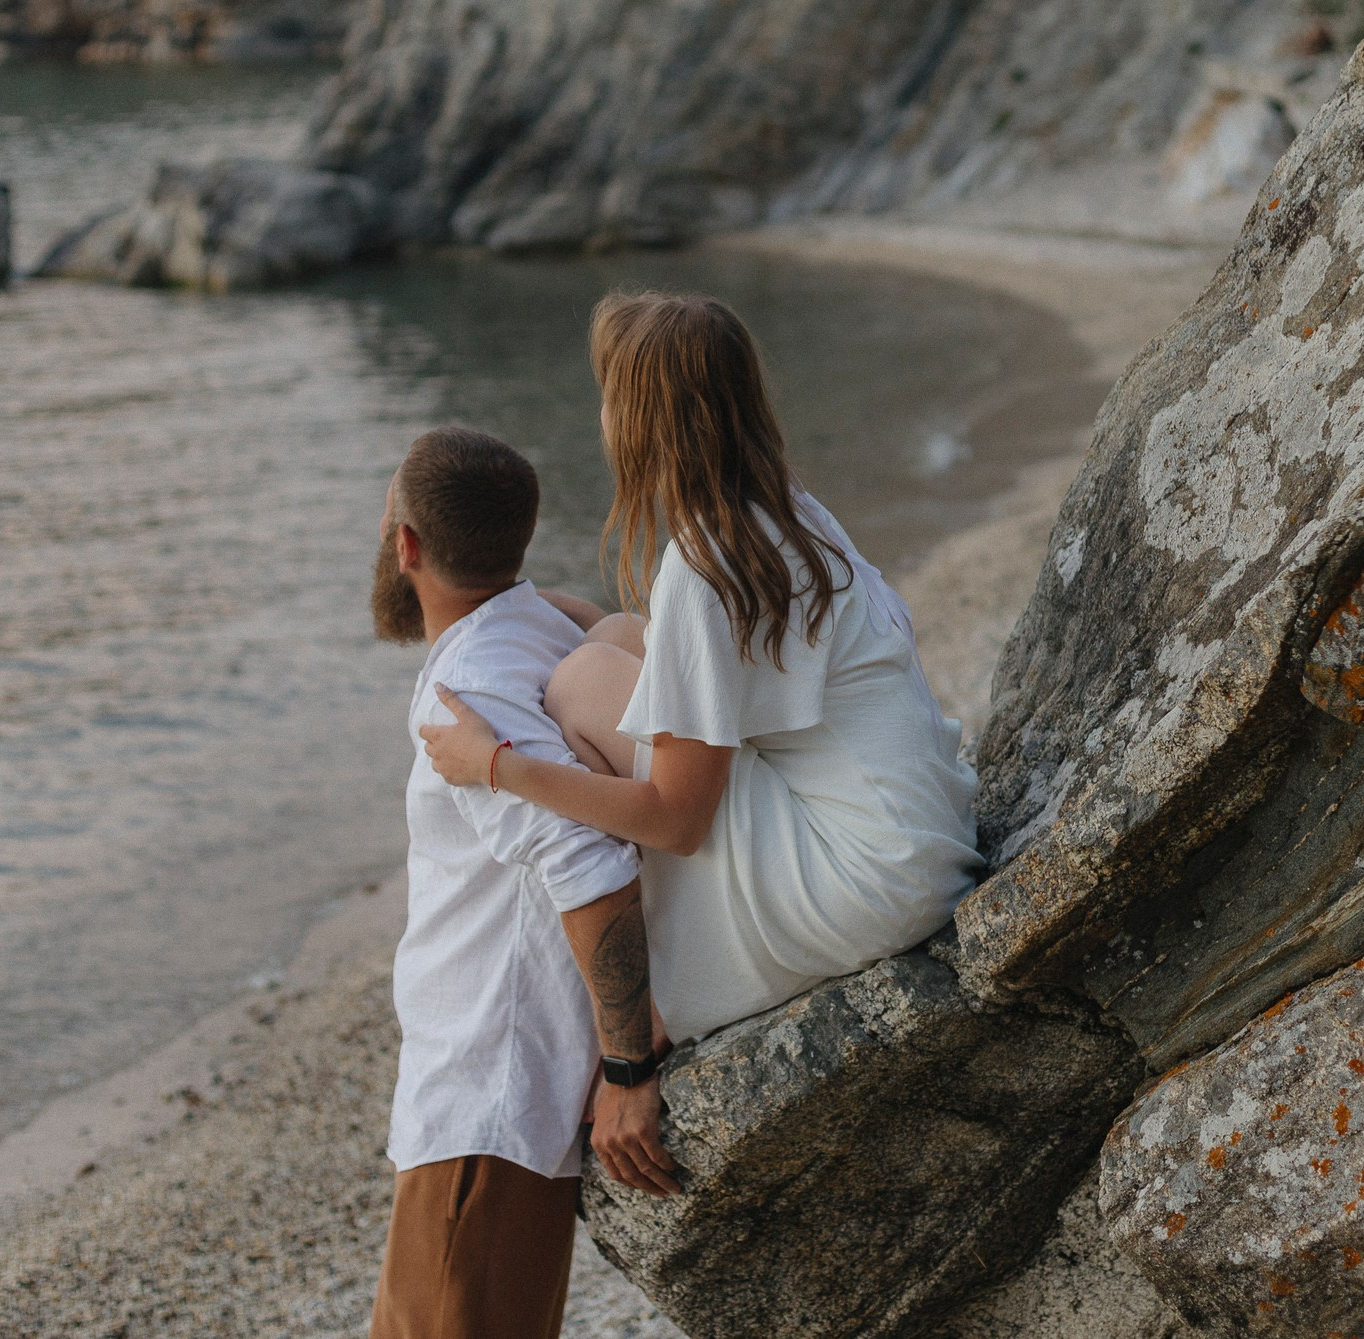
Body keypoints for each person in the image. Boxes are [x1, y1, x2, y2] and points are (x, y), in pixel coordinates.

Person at [420, 293, 984, 1046]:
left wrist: (495, 764)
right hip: (922, 842)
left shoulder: (701, 567)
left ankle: (643, 1006)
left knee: (580, 681)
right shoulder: (784, 511)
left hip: (867, 881)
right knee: (617, 631)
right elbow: (683, 656)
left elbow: (677, 821)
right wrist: (530, 608)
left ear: (641, 421)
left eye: (610, 397)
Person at [366, 426, 678, 1339]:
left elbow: (589, 863)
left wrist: (629, 1068)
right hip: (485, 1104)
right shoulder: (536, 628)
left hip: (484, 1105)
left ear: (406, 545)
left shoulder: (466, 691)